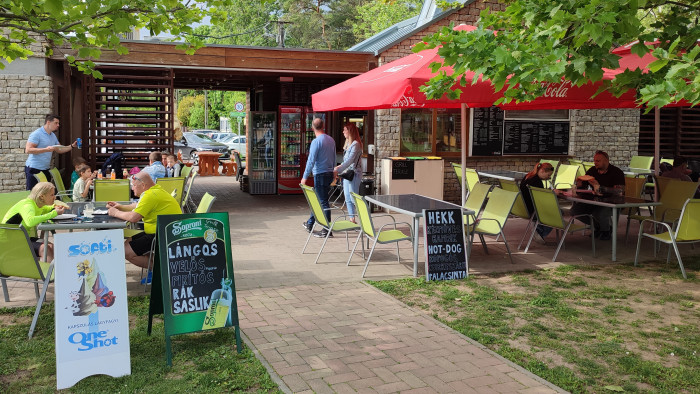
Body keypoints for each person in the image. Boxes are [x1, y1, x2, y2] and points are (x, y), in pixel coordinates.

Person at [107, 171, 181, 280]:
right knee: (128, 243)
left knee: (126, 252)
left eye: (134, 186)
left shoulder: (150, 195)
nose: (132, 189)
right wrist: (121, 207)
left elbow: (133, 218)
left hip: (163, 235)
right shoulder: (155, 190)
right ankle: (155, 266)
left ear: (143, 185)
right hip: (165, 231)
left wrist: (116, 213)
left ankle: (160, 271)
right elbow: (139, 205)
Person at [2, 182, 66, 262]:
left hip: (23, 239)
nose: (54, 197)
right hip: (8, 243)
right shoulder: (28, 205)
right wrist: (54, 213)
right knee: (45, 249)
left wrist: (54, 207)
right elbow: (30, 221)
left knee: (52, 247)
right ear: (42, 196)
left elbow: (45, 209)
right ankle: (46, 273)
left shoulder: (37, 205)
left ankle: (52, 272)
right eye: (51, 195)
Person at [570, 150, 626, 240]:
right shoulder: (592, 170)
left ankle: (605, 231)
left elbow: (620, 191)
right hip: (595, 200)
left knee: (599, 213)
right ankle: (599, 227)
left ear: (606, 161)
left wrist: (600, 187)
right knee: (575, 211)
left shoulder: (617, 172)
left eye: (598, 161)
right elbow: (583, 187)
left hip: (612, 201)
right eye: (595, 160)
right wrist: (579, 185)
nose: (595, 163)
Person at [301, 118, 336, 238]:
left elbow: (311, 161)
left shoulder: (316, 142)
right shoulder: (331, 140)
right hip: (329, 173)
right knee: (319, 199)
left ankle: (327, 229)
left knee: (323, 201)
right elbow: (334, 157)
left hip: (320, 174)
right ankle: (310, 223)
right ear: (323, 126)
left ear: (312, 127)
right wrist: (333, 172)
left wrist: (305, 177)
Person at [25, 114, 78, 190]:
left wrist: (72, 146)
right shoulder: (36, 134)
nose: (58, 125)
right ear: (48, 122)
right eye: (56, 123)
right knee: (32, 192)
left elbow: (59, 149)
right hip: (33, 168)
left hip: (45, 169)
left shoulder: (52, 135)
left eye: (58, 123)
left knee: (45, 193)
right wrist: (46, 149)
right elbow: (28, 150)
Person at [519, 162, 561, 241]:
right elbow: (542, 200)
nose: (548, 178)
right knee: (558, 212)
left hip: (524, 209)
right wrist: (553, 193)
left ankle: (538, 229)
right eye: (548, 175)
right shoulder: (537, 182)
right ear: (542, 171)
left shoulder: (528, 177)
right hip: (533, 210)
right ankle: (540, 232)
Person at [333, 123, 363, 223]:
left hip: (354, 173)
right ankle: (352, 219)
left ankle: (364, 220)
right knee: (347, 197)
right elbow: (345, 161)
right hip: (347, 174)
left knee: (354, 198)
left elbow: (350, 160)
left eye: (345, 130)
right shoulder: (348, 144)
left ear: (350, 131)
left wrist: (338, 169)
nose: (343, 132)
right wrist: (339, 167)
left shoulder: (356, 144)